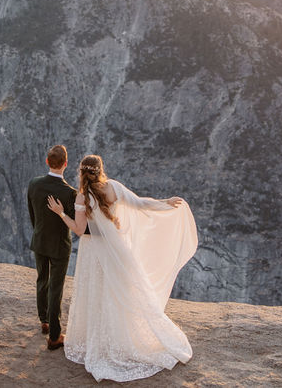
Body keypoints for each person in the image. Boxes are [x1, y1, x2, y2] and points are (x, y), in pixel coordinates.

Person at [47, 154, 197, 382]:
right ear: (100, 170)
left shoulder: (82, 196)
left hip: (94, 254)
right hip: (117, 250)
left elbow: (78, 230)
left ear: (81, 172)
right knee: (122, 294)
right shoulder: (114, 188)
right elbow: (140, 203)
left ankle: (102, 341)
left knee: (97, 295)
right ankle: (123, 338)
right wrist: (165, 203)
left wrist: (60, 213)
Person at [26, 144, 76, 350]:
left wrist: (39, 231)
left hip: (40, 240)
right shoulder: (69, 193)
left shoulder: (34, 184)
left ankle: (44, 321)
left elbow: (32, 213)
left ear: (47, 162)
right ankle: (55, 336)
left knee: (41, 279)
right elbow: (73, 221)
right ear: (65, 164)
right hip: (59, 246)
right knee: (56, 288)